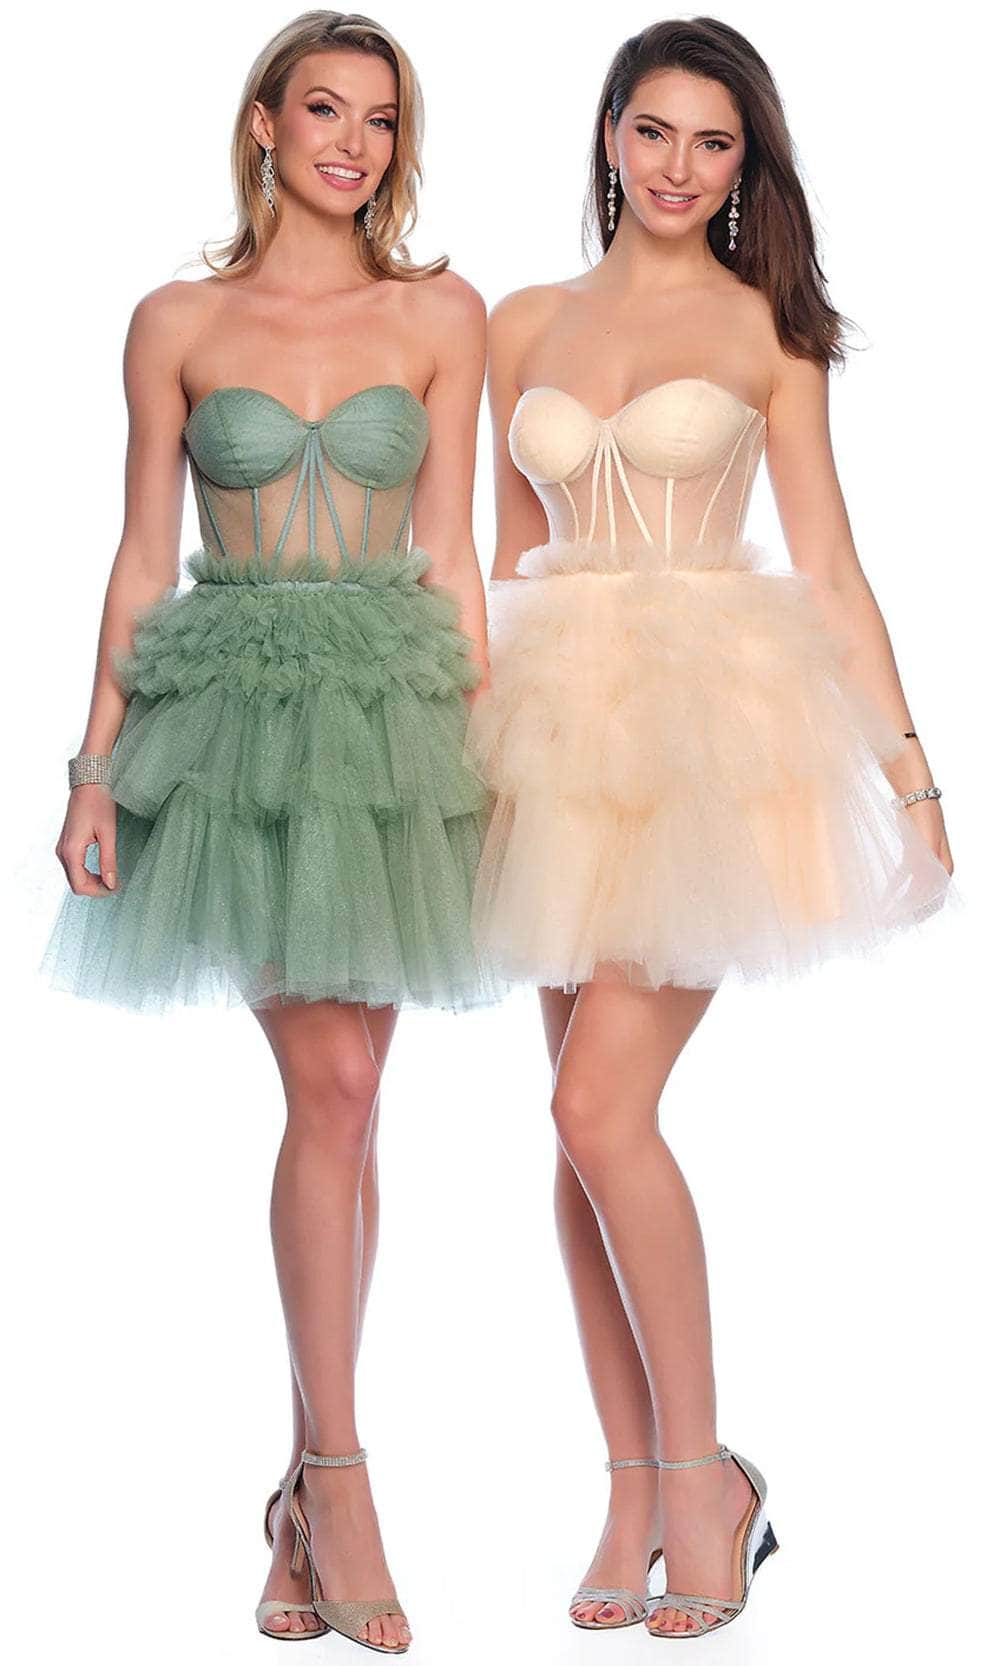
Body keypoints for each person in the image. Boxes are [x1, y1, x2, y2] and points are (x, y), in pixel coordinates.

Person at [464, 15, 955, 1640]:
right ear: (610, 135)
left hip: (707, 735)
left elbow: (833, 566)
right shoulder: (522, 320)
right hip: (553, 731)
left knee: (600, 1106)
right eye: (655, 131)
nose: (679, 166)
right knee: (573, 1127)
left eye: (715, 142)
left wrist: (912, 780)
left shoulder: (765, 332)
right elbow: (505, 560)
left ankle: (704, 1484)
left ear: (748, 166)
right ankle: (632, 1486)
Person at [43, 11, 497, 1652]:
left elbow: (452, 549)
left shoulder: (442, 313)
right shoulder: (176, 319)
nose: (353, 144)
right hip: (235, 717)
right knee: (338, 1089)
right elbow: (136, 556)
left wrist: (487, 751)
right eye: (324, 110)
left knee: (353, 1108)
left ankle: (305, 1490)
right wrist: (93, 767)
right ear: (264, 124)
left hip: (389, 722)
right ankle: (345, 1481)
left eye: (380, 119)